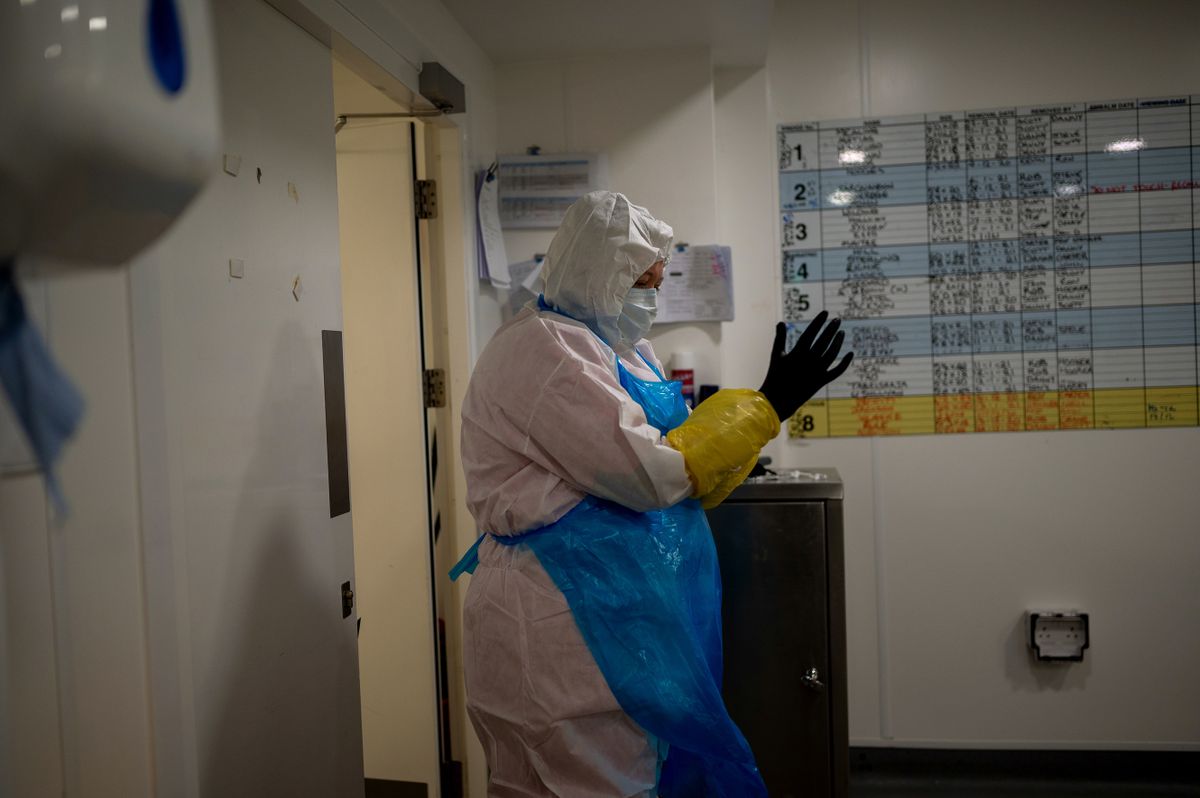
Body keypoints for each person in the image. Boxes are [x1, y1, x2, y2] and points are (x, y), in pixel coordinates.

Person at [451, 190, 852, 797]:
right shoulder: (546, 348)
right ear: (598, 271)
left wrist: (769, 412)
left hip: (619, 615)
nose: (652, 295)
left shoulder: (623, 350)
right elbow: (653, 473)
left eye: (658, 280)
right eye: (643, 279)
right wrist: (762, 406)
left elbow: (692, 479)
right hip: (557, 617)